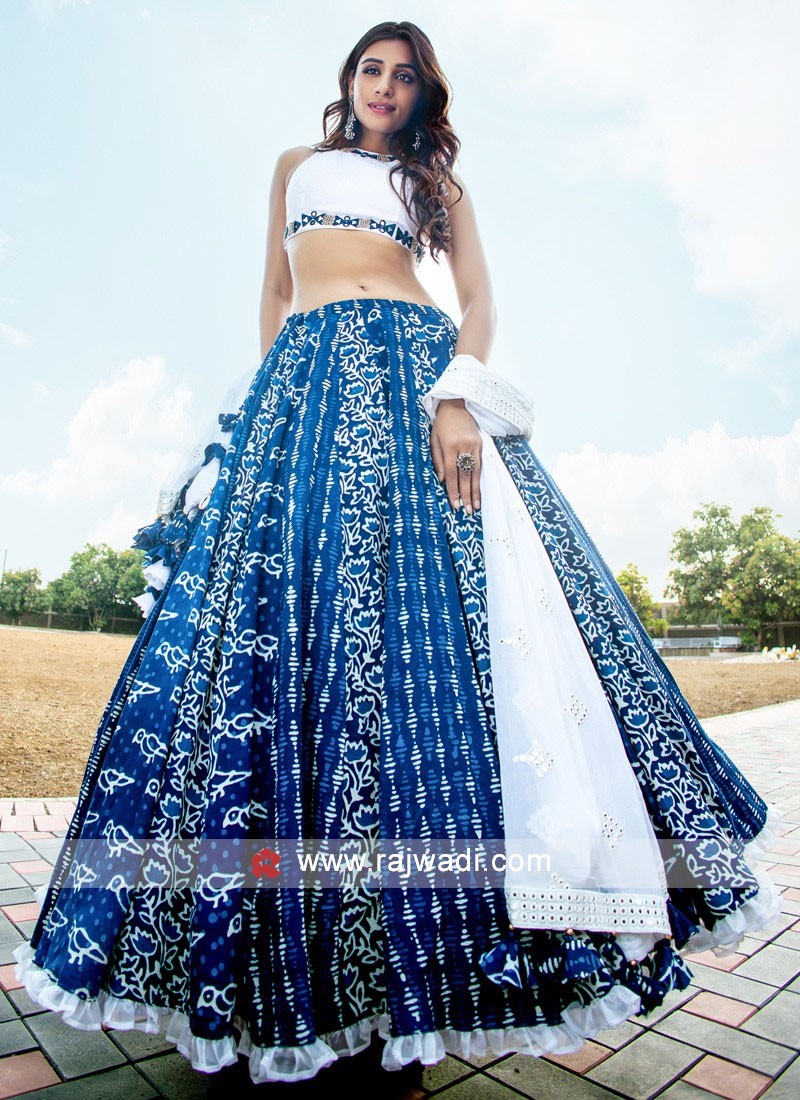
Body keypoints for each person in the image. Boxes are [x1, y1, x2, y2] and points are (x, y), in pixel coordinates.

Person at [14, 18, 782, 1092]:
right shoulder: (295, 165)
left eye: (403, 75)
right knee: (292, 649)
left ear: (424, 95)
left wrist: (453, 398)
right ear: (347, 82)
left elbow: (479, 303)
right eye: (369, 69)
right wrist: (266, 416)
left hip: (417, 378)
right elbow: (276, 300)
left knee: (443, 660)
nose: (382, 86)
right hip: (306, 388)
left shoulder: (435, 187)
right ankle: (289, 986)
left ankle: (418, 993)